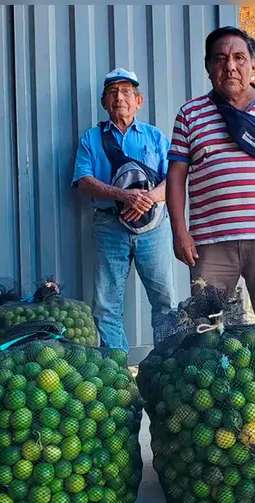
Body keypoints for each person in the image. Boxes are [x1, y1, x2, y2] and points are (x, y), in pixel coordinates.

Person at [165, 26, 255, 326]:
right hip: (210, 242)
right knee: (205, 327)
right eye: (220, 59)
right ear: (208, 67)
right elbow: (176, 176)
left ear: (253, 64)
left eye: (239, 58)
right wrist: (179, 232)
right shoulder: (190, 114)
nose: (230, 66)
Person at [72, 67, 174, 351]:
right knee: (106, 306)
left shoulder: (155, 137)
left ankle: (164, 366)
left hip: (154, 231)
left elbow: (175, 179)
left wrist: (147, 198)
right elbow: (83, 180)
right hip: (109, 227)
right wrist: (122, 195)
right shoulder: (91, 139)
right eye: (113, 93)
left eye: (127, 92)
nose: (120, 98)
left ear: (138, 101)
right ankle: (119, 375)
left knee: (164, 301)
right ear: (104, 102)